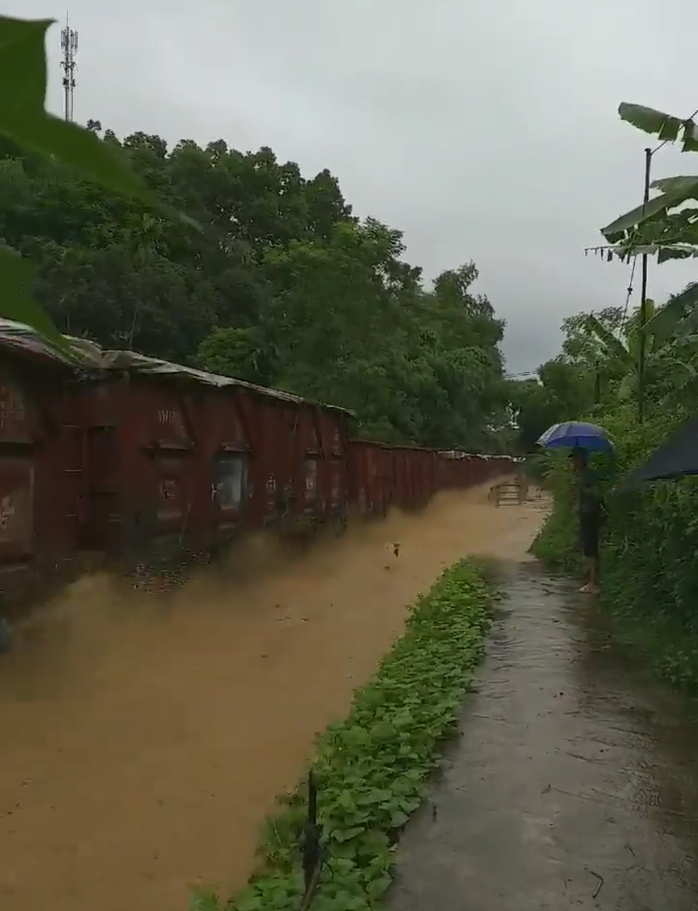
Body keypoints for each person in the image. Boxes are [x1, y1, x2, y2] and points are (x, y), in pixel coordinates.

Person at [570, 447, 604, 594]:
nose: (573, 461)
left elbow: (597, 494)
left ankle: (593, 583)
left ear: (582, 459)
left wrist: (585, 491)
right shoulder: (582, 475)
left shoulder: (589, 475)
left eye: (575, 458)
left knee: (591, 548)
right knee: (586, 547)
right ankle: (589, 580)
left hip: (591, 514)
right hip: (585, 514)